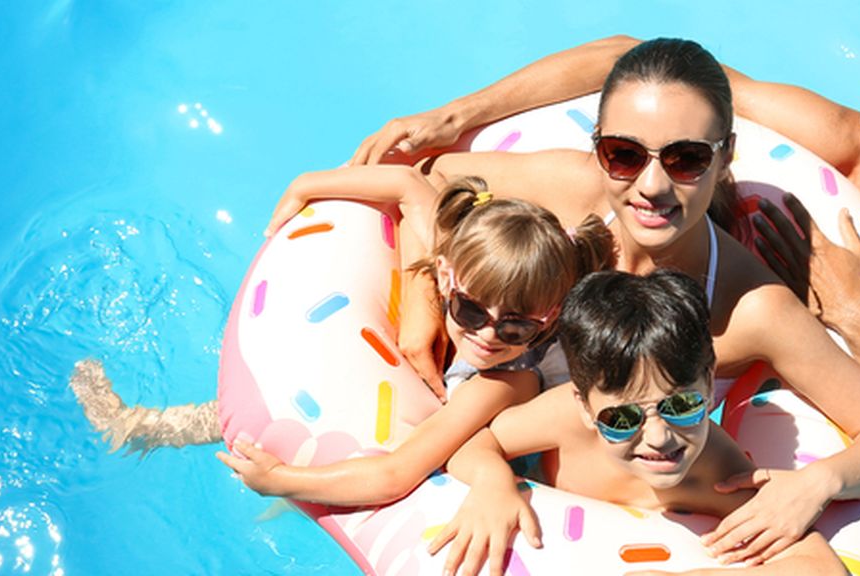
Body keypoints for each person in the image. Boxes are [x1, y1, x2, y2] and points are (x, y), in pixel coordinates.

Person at [269, 38, 860, 568]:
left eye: (688, 159)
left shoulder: (750, 307)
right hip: (477, 416)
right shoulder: (571, 191)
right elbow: (429, 190)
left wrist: (817, 483)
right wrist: (419, 319)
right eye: (623, 154)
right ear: (599, 150)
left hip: (605, 473)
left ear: (726, 157)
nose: (651, 185)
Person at [348, 4, 860, 502]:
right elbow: (634, 61)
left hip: (823, 344)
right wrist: (460, 116)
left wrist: (856, 313)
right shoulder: (810, 140)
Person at [75, 171, 614, 507]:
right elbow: (410, 188)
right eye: (469, 310)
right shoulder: (460, 259)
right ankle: (140, 426)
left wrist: (282, 481)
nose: (488, 334)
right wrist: (307, 185)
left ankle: (140, 428)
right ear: (447, 278)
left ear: (550, 319)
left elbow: (397, 473)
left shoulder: (507, 380)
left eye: (516, 325)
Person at [440, 269, 849, 576]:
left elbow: (820, 566)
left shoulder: (717, 473)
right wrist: (493, 483)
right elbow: (472, 444)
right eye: (621, 418)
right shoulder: (566, 417)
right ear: (585, 406)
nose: (658, 437)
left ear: (708, 386)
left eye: (683, 405)